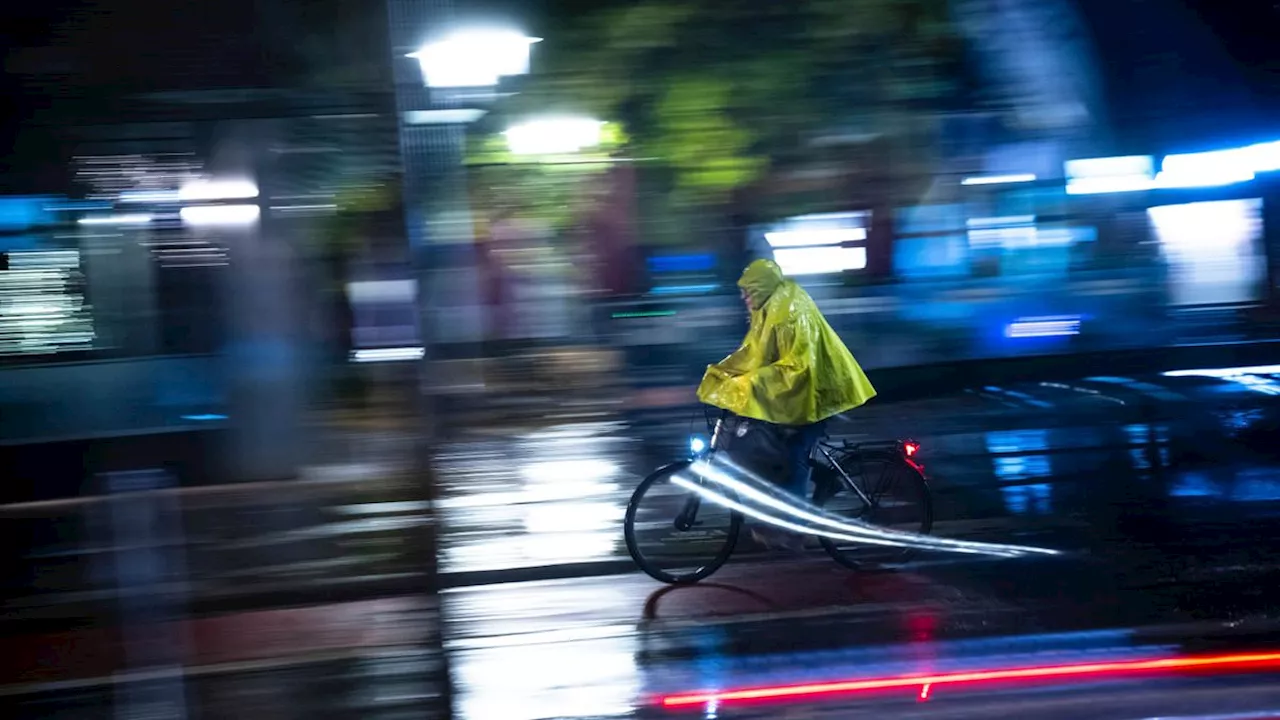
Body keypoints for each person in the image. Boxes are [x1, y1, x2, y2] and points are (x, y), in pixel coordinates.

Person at [697, 258, 877, 549]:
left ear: (761, 287)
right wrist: (723, 373)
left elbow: (797, 366)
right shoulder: (766, 308)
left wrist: (748, 383)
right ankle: (825, 480)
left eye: (747, 291)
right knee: (765, 444)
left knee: (791, 453)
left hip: (816, 391)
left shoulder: (788, 310)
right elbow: (754, 353)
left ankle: (794, 530)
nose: (743, 297)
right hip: (799, 393)